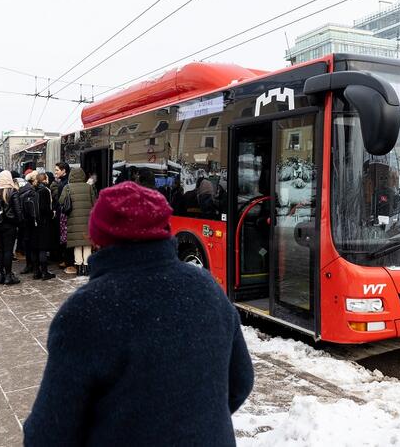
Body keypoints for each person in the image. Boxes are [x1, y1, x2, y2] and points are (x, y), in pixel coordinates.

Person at [24, 182, 254, 446]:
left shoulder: (84, 312)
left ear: (98, 237)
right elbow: (242, 381)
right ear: (164, 229)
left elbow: (47, 435)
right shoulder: (207, 287)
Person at [59, 167, 96, 276]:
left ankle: (79, 269)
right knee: (87, 245)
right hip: (87, 221)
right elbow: (95, 202)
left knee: (77, 245)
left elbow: (61, 201)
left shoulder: (67, 187)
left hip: (73, 221)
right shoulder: (89, 187)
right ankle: (87, 268)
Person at [0, 170, 23, 285]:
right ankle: (8, 276)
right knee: (8, 251)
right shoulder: (12, 192)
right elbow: (18, 212)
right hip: (9, 226)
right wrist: (19, 223)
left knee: (0, 250)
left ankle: (0, 276)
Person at [34, 173, 56, 280]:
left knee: (37, 247)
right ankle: (44, 272)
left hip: (34, 222)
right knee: (42, 248)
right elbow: (45, 208)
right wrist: (52, 213)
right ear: (45, 179)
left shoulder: (34, 189)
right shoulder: (45, 190)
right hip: (44, 222)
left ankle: (36, 272)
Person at [51, 163, 71, 268]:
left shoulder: (65, 183)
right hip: (62, 212)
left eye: (57, 170)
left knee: (64, 236)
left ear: (64, 171)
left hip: (64, 213)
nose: (55, 172)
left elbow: (61, 200)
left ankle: (67, 260)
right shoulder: (63, 182)